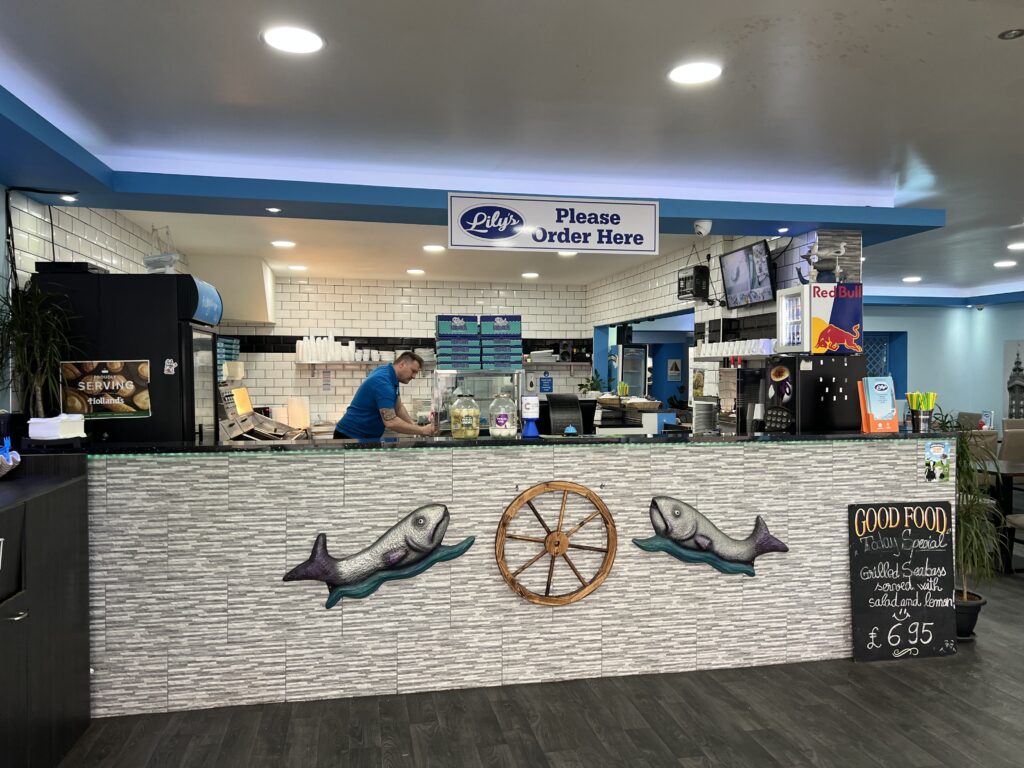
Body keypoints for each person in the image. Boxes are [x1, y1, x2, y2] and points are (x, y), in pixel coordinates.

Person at [333, 352, 437, 439]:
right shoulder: (383, 382)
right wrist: (422, 430)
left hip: (366, 437)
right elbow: (391, 422)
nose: (414, 376)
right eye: (413, 371)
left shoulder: (389, 374)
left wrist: (413, 426)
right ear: (402, 364)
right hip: (350, 437)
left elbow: (398, 407)